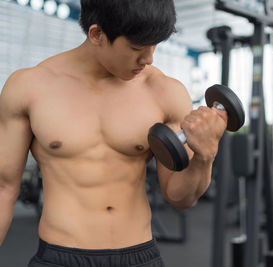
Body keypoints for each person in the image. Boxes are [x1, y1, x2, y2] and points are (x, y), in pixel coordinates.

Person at [0, 1, 228, 266]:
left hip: (138, 255)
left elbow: (180, 198)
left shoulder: (165, 92)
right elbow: (4, 187)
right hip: (59, 256)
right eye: (136, 48)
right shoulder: (29, 87)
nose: (149, 59)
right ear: (97, 34)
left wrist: (205, 156)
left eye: (155, 45)